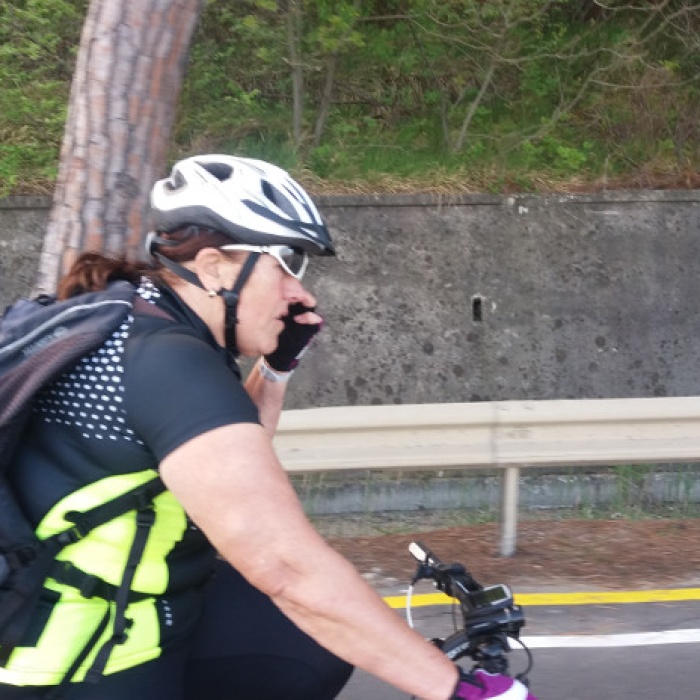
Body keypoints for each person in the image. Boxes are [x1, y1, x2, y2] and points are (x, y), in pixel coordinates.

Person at [1, 155, 536, 700]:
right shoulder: (169, 364)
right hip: (82, 661)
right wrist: (457, 690)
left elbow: (220, 470)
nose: (300, 293)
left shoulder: (136, 317)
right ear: (213, 266)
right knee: (307, 615)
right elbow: (285, 566)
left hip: (138, 610)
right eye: (285, 265)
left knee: (305, 647)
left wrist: (275, 369)